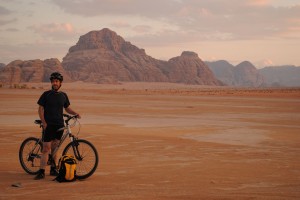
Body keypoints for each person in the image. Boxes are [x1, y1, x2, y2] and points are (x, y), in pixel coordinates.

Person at [34, 72, 81, 180]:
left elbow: (67, 108)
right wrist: (44, 122)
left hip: (59, 124)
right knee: (46, 148)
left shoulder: (63, 95)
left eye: (57, 81)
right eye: (53, 81)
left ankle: (53, 169)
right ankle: (41, 171)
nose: (55, 83)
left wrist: (75, 113)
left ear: (60, 83)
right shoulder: (46, 94)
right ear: (51, 82)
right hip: (48, 125)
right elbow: (40, 109)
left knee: (55, 147)